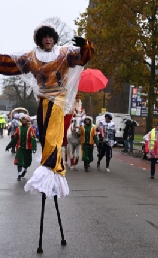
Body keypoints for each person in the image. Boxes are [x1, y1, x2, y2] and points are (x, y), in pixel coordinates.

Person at [0, 23, 94, 197]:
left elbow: (84, 56)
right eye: (44, 36)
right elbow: (11, 64)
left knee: (53, 134)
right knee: (43, 134)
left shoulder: (64, 54)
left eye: (50, 36)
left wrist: (85, 45)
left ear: (54, 38)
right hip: (43, 99)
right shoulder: (32, 57)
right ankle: (51, 166)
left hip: (58, 99)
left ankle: (51, 167)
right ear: (39, 39)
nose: (47, 39)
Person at [5, 115, 37, 181]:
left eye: (25, 120)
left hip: (28, 149)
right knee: (19, 161)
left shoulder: (31, 129)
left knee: (27, 162)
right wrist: (8, 146)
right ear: (21, 121)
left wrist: (34, 148)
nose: (23, 121)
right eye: (22, 120)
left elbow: (33, 139)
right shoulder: (18, 129)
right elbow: (14, 139)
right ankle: (19, 174)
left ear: (27, 121)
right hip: (20, 148)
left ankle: (25, 170)